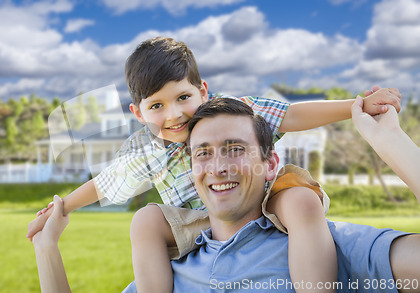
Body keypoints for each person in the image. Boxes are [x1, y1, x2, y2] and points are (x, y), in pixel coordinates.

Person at [27, 37, 402, 293]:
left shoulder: (233, 113)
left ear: (203, 91)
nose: (174, 115)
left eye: (183, 97)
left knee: (300, 201)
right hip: (200, 219)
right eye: (157, 106)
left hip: (264, 195)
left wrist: (357, 106)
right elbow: (105, 184)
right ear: (138, 113)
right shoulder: (144, 148)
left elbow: (292, 114)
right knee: (144, 221)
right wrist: (60, 208)